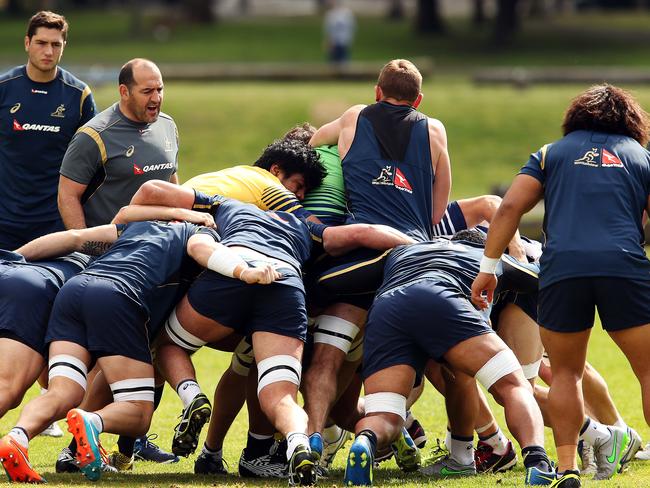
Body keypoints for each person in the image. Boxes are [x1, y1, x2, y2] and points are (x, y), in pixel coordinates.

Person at [146, 190, 414, 486]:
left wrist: (187, 216)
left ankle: (192, 396)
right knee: (280, 394)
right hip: (284, 283)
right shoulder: (306, 226)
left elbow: (155, 190)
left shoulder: (227, 204)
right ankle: (298, 441)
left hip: (234, 268)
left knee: (170, 345)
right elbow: (366, 232)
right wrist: (422, 248)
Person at [0, 206, 261, 484]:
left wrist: (14, 259)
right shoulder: (200, 232)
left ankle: (18, 437)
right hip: (118, 298)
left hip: (73, 291)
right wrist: (243, 270)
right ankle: (92, 422)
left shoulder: (135, 227)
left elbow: (74, 237)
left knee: (64, 391)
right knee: (138, 412)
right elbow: (201, 249)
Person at [472, 84, 650, 488]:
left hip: (563, 268)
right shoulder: (642, 157)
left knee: (566, 373)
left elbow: (512, 207)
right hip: (624, 266)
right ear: (630, 120)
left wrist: (489, 267)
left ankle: (567, 468)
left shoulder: (551, 153)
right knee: (648, 371)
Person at [304, 59, 451, 459]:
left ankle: (314, 438)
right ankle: (423, 434)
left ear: (376, 91)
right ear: (418, 100)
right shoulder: (435, 130)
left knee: (327, 357)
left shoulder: (354, 116)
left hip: (358, 264)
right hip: (411, 262)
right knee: (423, 359)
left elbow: (314, 144)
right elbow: (437, 214)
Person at [343, 232, 554, 486]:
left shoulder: (400, 251)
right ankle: (538, 462)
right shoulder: (488, 258)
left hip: (387, 309)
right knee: (513, 385)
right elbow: (541, 277)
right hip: (441, 298)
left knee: (386, 415)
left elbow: (344, 277)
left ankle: (366, 439)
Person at [0, 11, 96, 249]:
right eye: (41, 43)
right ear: (27, 43)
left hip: (54, 223)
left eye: (56, 44)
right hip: (4, 221)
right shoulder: (4, 89)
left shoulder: (79, 95)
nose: (48, 51)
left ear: (64, 46)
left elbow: (92, 162)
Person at [58, 58, 178, 229]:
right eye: (147, 91)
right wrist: (86, 247)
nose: (156, 98)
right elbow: (67, 195)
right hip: (113, 249)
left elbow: (171, 182)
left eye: (160, 89)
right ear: (124, 92)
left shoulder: (168, 126)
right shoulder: (94, 135)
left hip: (159, 244)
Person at [323, 0, 356, 65]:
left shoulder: (347, 14)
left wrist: (349, 39)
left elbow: (352, 28)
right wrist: (328, 41)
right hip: (334, 43)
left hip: (344, 43)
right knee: (332, 63)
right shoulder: (331, 14)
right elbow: (328, 30)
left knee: (343, 63)